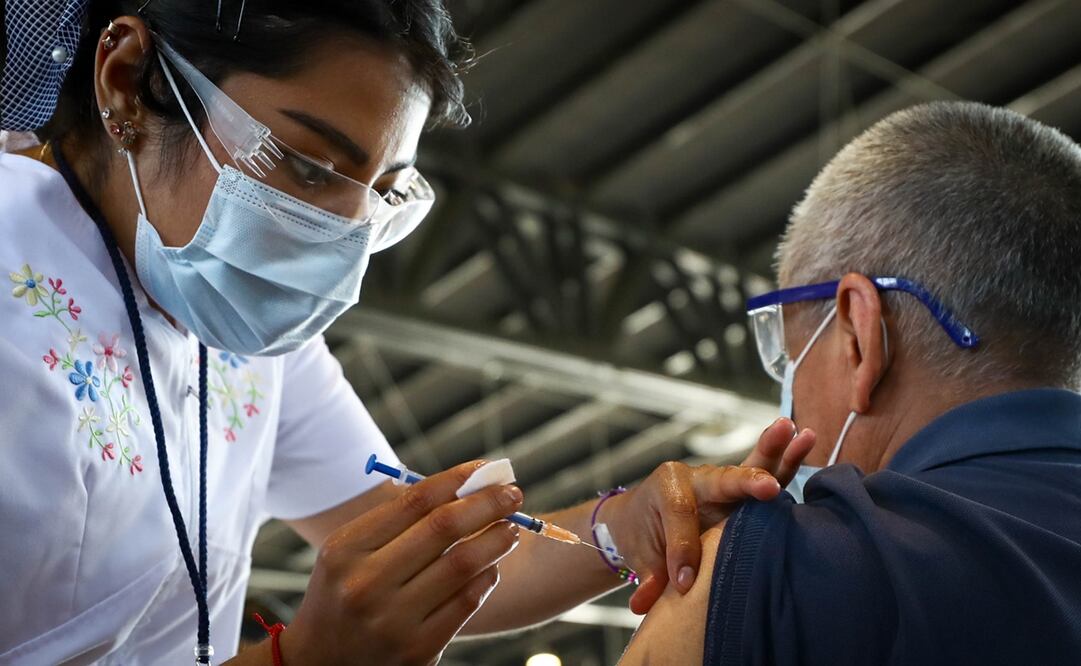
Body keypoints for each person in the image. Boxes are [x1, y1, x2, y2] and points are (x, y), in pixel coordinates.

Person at [0, 2, 817, 664]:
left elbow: (437, 561)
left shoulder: (242, 333)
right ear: (126, 81)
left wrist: (626, 526)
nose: (335, 245)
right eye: (307, 168)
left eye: (378, 197)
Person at [619, 100, 1081, 665]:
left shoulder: (784, 579)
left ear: (859, 335)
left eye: (791, 354)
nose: (790, 391)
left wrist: (736, 567)